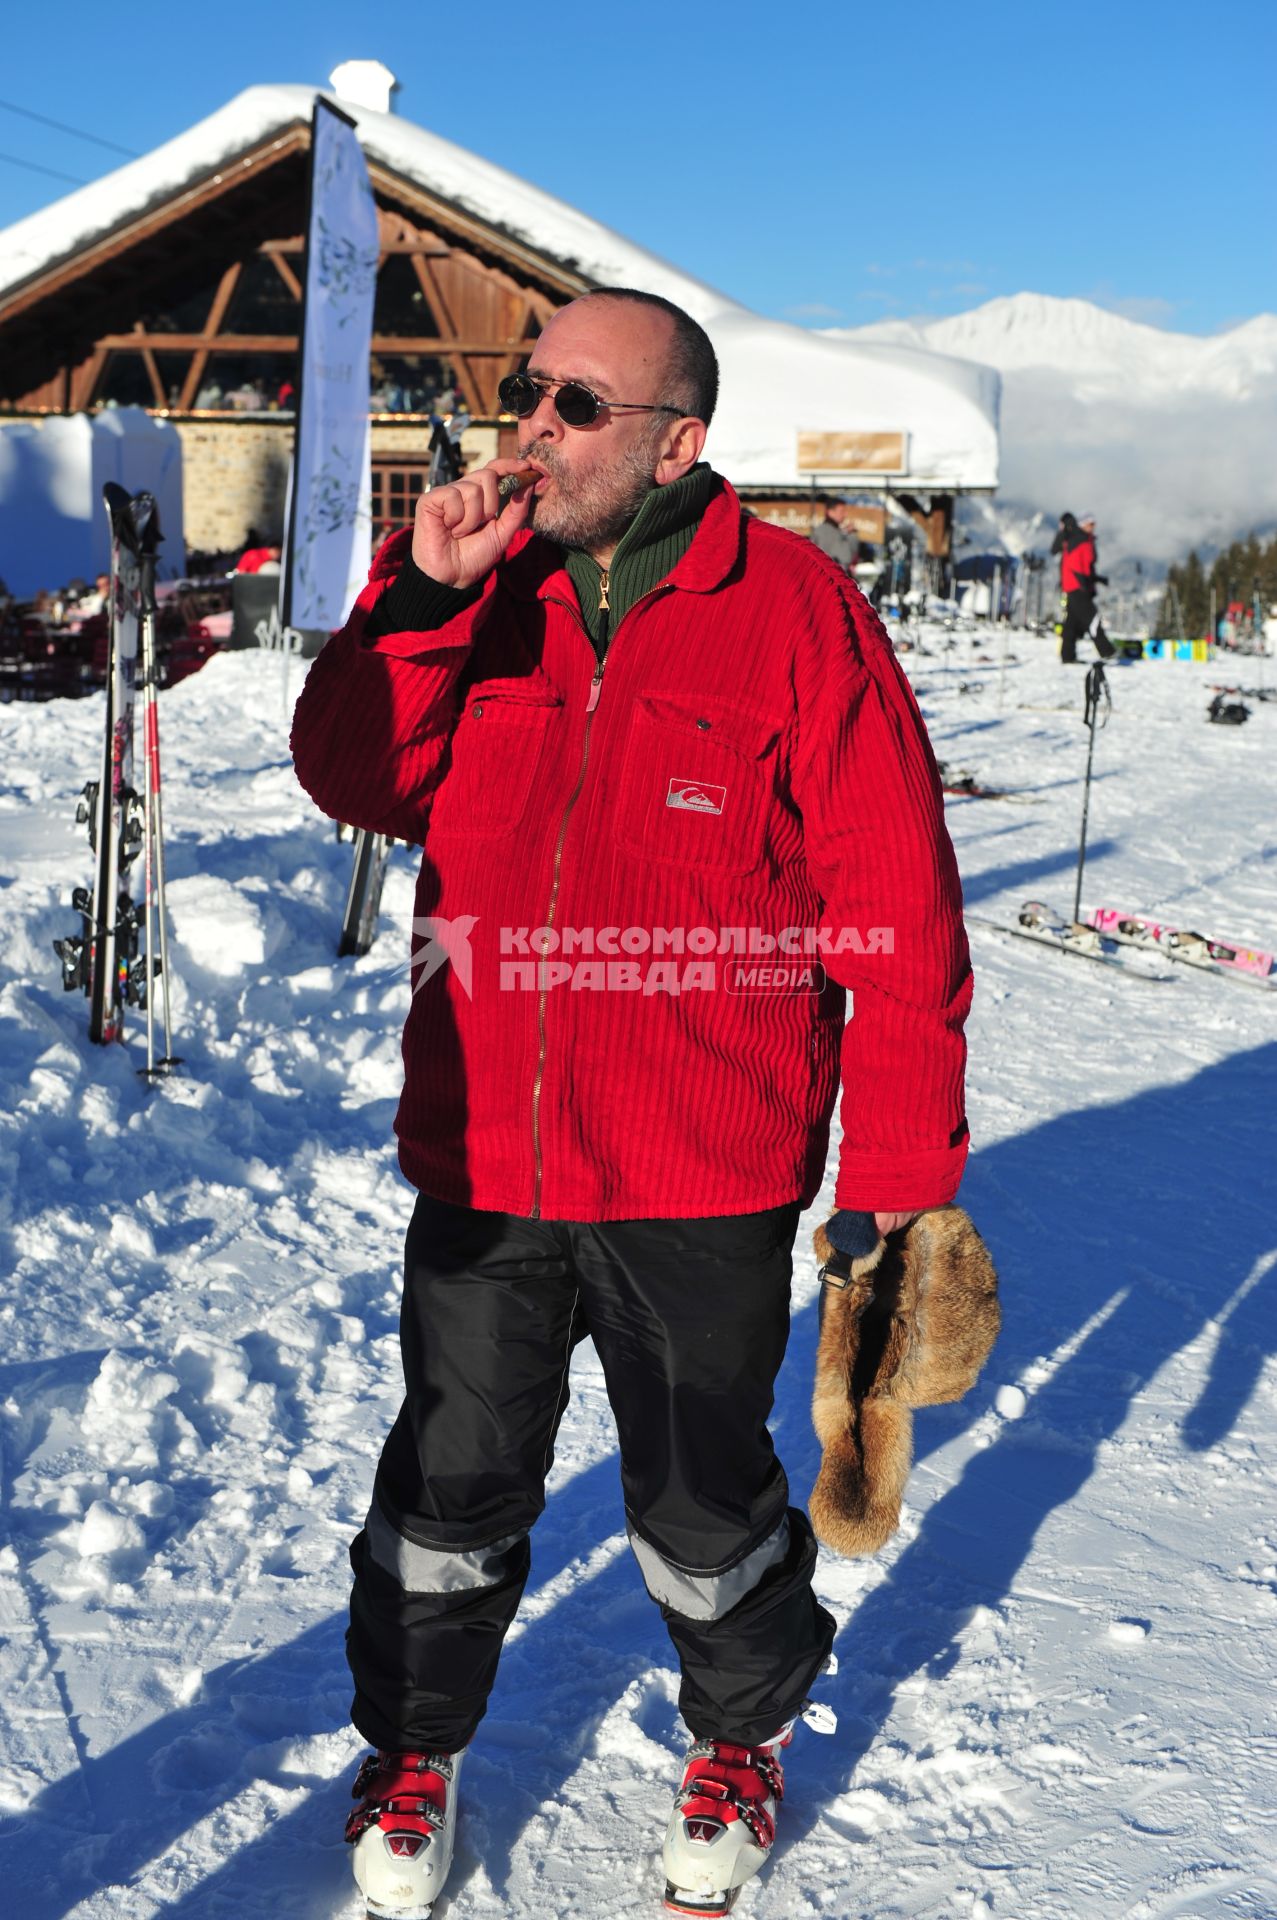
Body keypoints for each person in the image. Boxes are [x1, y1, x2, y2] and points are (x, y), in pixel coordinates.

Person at [290, 288, 972, 1920]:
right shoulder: (480, 593)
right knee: (448, 1492)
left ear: (678, 440)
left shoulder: (795, 616)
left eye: (577, 406)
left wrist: (892, 1169)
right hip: (489, 1158)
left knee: (694, 1503)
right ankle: (416, 1746)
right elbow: (351, 774)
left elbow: (895, 902)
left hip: (700, 1175)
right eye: (529, 394)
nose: (533, 427)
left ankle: (738, 1736)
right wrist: (416, 606)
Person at [1051, 511, 1115, 662]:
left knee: (1071, 623)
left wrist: (1097, 579)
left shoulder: (1081, 540)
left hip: (1074, 586)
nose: (1093, 527)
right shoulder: (1079, 540)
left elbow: (1085, 567)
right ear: (1083, 524)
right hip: (1077, 587)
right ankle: (1107, 651)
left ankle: (1067, 656)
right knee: (1092, 618)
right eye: (1090, 523)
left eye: (1094, 524)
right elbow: (1076, 566)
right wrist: (1085, 583)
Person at [807, 496, 861, 573]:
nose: (845, 515)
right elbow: (846, 558)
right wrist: (852, 535)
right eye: (842, 511)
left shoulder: (820, 530)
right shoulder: (828, 532)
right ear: (830, 512)